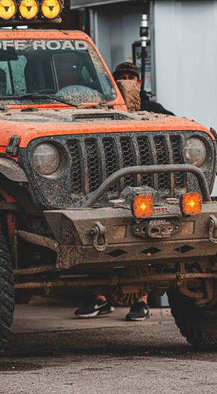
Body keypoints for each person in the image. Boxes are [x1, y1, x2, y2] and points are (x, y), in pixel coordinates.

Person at [75, 62, 172, 321]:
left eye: (131, 77)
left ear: (139, 82)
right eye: (121, 77)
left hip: (146, 188)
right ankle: (100, 298)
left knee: (145, 245)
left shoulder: (152, 109)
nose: (126, 81)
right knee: (99, 241)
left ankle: (141, 301)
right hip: (108, 188)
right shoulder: (101, 109)